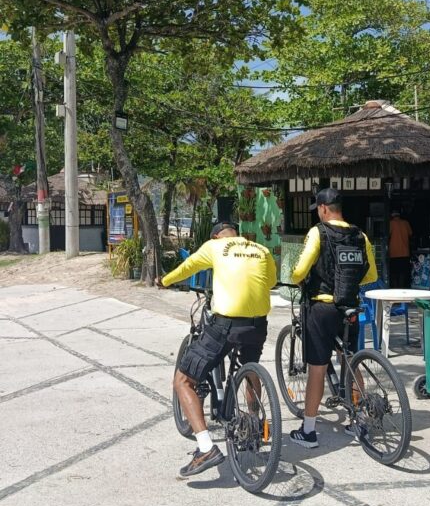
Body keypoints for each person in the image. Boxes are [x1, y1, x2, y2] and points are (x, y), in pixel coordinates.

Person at [157, 222, 277, 478]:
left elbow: (188, 267)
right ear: (237, 233)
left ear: (215, 235)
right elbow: (272, 281)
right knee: (249, 366)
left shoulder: (215, 246)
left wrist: (165, 280)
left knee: (183, 380)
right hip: (257, 323)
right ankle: (253, 423)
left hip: (226, 324)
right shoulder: (259, 249)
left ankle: (205, 448)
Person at [289, 188, 378, 449]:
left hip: (322, 308)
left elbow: (299, 272)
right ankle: (359, 422)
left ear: (324, 208)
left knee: (317, 367)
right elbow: (371, 274)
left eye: (318, 208)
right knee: (351, 361)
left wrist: (298, 277)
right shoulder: (359, 235)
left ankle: (308, 431)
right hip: (349, 307)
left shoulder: (319, 232)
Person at [388, 209, 413, 289]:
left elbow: (387, 235)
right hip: (405, 252)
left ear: (392, 215)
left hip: (394, 253)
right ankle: (402, 288)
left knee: (394, 273)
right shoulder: (405, 223)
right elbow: (410, 234)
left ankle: (395, 288)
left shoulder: (390, 223)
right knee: (402, 272)